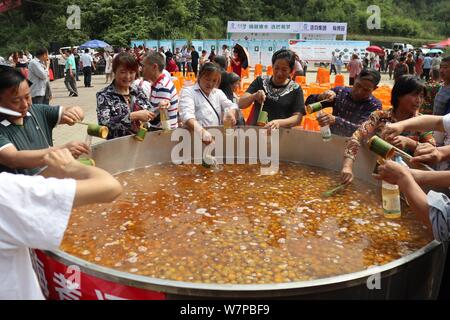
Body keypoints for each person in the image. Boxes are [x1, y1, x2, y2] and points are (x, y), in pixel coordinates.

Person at [0, 148, 122, 299]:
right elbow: (110, 187)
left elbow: (31, 187)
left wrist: (57, 169)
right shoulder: (5, 192)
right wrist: (71, 166)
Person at [341, 75, 436, 184]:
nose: (419, 100)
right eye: (414, 95)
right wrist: (347, 167)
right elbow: (357, 136)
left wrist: (409, 142)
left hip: (409, 181)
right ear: (399, 95)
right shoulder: (379, 116)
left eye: (421, 96)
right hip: (379, 176)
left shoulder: (421, 122)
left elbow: (433, 153)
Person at [0, 66, 88, 176]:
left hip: (49, 184)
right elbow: (13, 158)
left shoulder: (37, 111)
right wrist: (60, 151)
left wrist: (75, 112)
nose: (25, 104)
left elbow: (69, 110)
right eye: (16, 101)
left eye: (27, 97)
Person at [238, 49, 304, 130]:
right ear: (272, 66)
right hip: (257, 133)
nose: (279, 73)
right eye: (276, 68)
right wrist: (254, 96)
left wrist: (278, 123)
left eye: (284, 70)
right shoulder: (260, 81)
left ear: (291, 71)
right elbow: (241, 104)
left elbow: (298, 118)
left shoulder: (296, 89)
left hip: (281, 135)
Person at [305, 69, 382, 137]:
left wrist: (335, 121)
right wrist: (321, 97)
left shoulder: (374, 106)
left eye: (366, 90)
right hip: (333, 140)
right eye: (358, 85)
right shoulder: (340, 92)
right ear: (355, 79)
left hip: (355, 146)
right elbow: (309, 103)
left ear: (375, 88)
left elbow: (363, 131)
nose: (359, 91)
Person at [96, 53, 155, 140]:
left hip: (141, 143)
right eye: (123, 72)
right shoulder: (104, 95)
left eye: (131, 72)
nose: (128, 77)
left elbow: (149, 110)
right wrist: (132, 116)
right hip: (118, 146)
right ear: (114, 71)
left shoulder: (137, 90)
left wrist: (160, 108)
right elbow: (104, 124)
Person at [179, 62, 238, 144]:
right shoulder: (188, 92)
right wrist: (201, 132)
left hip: (215, 138)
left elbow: (231, 105)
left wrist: (231, 113)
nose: (210, 84)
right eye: (207, 79)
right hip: (194, 139)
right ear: (199, 76)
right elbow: (187, 115)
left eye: (214, 81)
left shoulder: (218, 93)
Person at [141, 52, 179, 131]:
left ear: (154, 67)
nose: (141, 69)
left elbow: (156, 117)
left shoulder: (162, 87)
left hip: (162, 135)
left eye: (144, 66)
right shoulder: (160, 83)